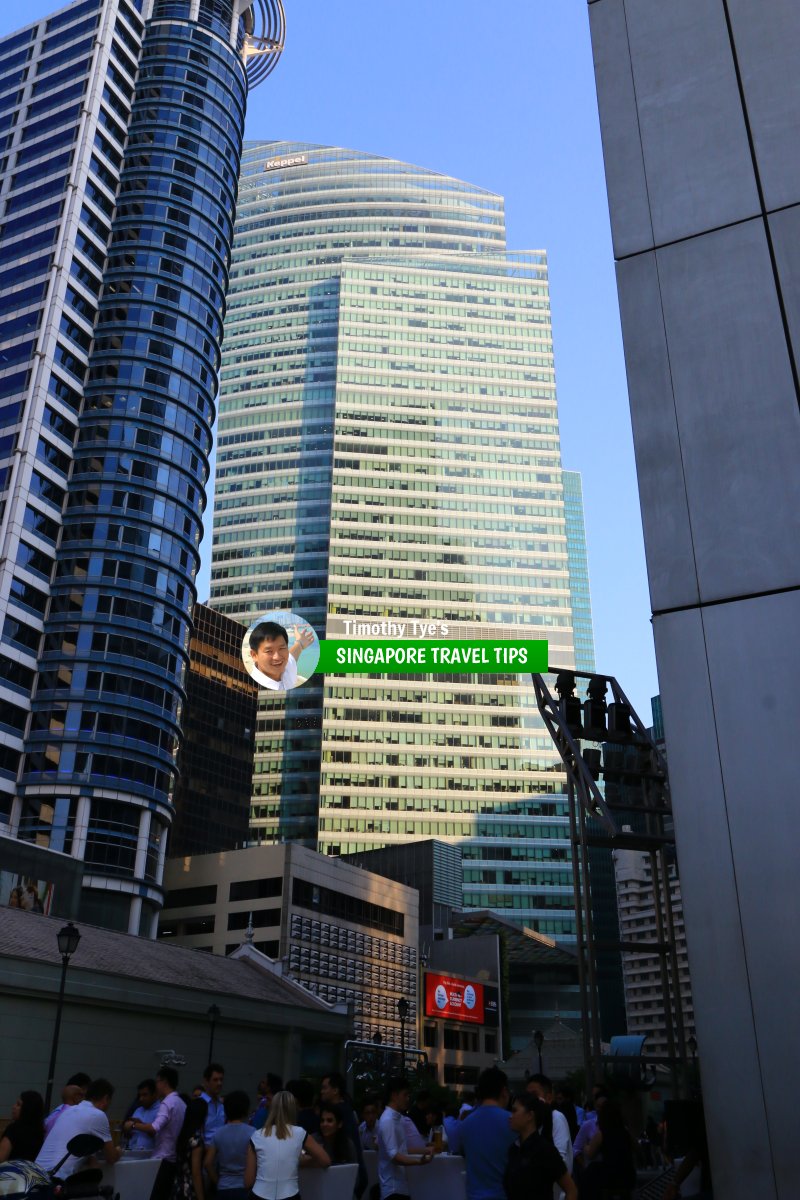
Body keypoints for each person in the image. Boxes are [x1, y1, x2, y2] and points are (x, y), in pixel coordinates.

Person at [245, 1090, 330, 1200]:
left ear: (272, 1109)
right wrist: (298, 1161)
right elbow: (325, 1161)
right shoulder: (300, 1133)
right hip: (290, 1195)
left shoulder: (256, 1136)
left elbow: (248, 1181)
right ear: (293, 1109)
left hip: (259, 1195)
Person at [36, 1078, 121, 1181]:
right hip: (56, 1178)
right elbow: (111, 1157)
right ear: (106, 1098)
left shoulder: (69, 1111)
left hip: (36, 1172)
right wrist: (119, 1151)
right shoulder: (98, 1115)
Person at [505, 1093, 577, 1200]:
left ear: (529, 1115)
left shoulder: (545, 1150)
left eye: (515, 1111)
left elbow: (571, 1190)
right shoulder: (514, 1149)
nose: (510, 1116)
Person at [458, 1067, 516, 1200]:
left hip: (473, 1195)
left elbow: (462, 1152)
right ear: (504, 1091)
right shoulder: (512, 1121)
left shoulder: (465, 1122)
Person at [131, 1065, 187, 1200]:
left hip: (162, 1159)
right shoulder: (181, 1103)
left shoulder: (167, 1103)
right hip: (174, 1157)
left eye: (157, 1081)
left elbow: (154, 1128)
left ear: (164, 1082)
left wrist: (134, 1125)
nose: (156, 1086)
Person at [376, 1078, 433, 1200]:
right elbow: (395, 1157)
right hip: (391, 1188)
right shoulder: (388, 1120)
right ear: (394, 1096)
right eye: (405, 1095)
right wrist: (419, 1162)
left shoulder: (398, 1119)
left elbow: (402, 1149)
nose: (408, 1098)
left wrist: (426, 1150)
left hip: (400, 1186)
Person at [320, 1071, 367, 1194]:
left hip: (347, 1173)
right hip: (351, 1172)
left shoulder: (342, 1111)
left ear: (335, 1090)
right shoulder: (346, 1109)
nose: (322, 1091)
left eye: (325, 1088)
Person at [579, 1100, 636, 1200]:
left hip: (611, 1176)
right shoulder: (626, 1133)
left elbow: (590, 1154)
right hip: (628, 1176)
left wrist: (584, 1145)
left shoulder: (602, 1134)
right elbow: (638, 1150)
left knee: (590, 1171)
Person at [526, 1074, 574, 1190]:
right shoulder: (531, 1121)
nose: (530, 1100)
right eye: (527, 1096)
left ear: (548, 1098)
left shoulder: (556, 1118)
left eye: (534, 1095)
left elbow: (559, 1161)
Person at [205, 1090, 251, 1200]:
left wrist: (218, 1181)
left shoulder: (218, 1133)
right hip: (244, 1187)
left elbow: (207, 1163)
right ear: (245, 1110)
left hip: (223, 1188)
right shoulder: (253, 1133)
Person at [247, 622, 313, 691]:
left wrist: (300, 643)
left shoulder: (287, 667)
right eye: (269, 651)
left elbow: (292, 655)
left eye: (281, 648)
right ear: (254, 655)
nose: (277, 657)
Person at [0, 1092, 45, 1163]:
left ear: (27, 1109)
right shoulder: (40, 1132)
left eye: (18, 1104)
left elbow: (1, 1158)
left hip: (10, 1171)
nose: (13, 1107)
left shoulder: (13, 1129)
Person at [122, 1078, 160, 1153]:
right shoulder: (138, 1110)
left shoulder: (161, 1111)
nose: (141, 1099)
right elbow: (128, 1135)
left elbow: (159, 1136)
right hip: (132, 1153)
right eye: (140, 1095)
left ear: (154, 1094)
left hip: (150, 1156)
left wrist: (137, 1125)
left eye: (145, 1095)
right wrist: (127, 1130)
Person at [200, 1063, 225, 1147]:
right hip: (203, 1151)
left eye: (221, 1080)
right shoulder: (199, 1104)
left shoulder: (222, 1105)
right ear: (206, 1081)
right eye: (215, 1080)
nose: (219, 1083)